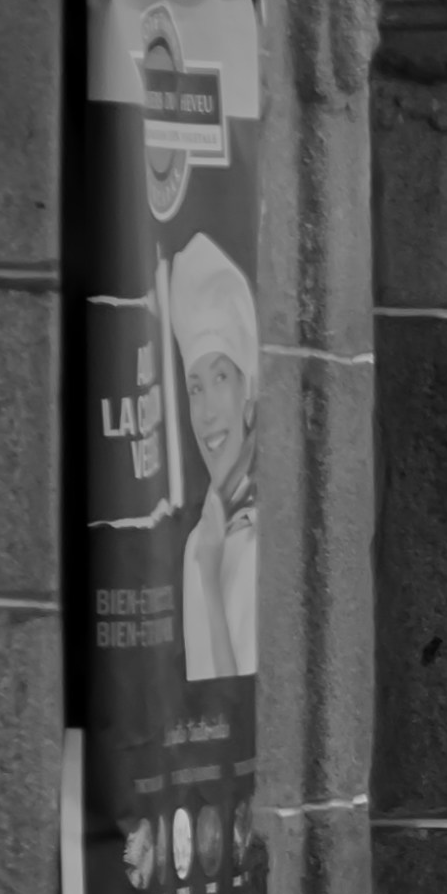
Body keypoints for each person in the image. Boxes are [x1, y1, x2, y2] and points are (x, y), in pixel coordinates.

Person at [166, 235, 262, 686]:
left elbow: (236, 705)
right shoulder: (197, 547)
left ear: (249, 393)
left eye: (221, 376)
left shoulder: (268, 540)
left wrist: (209, 575)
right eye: (195, 387)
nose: (206, 413)